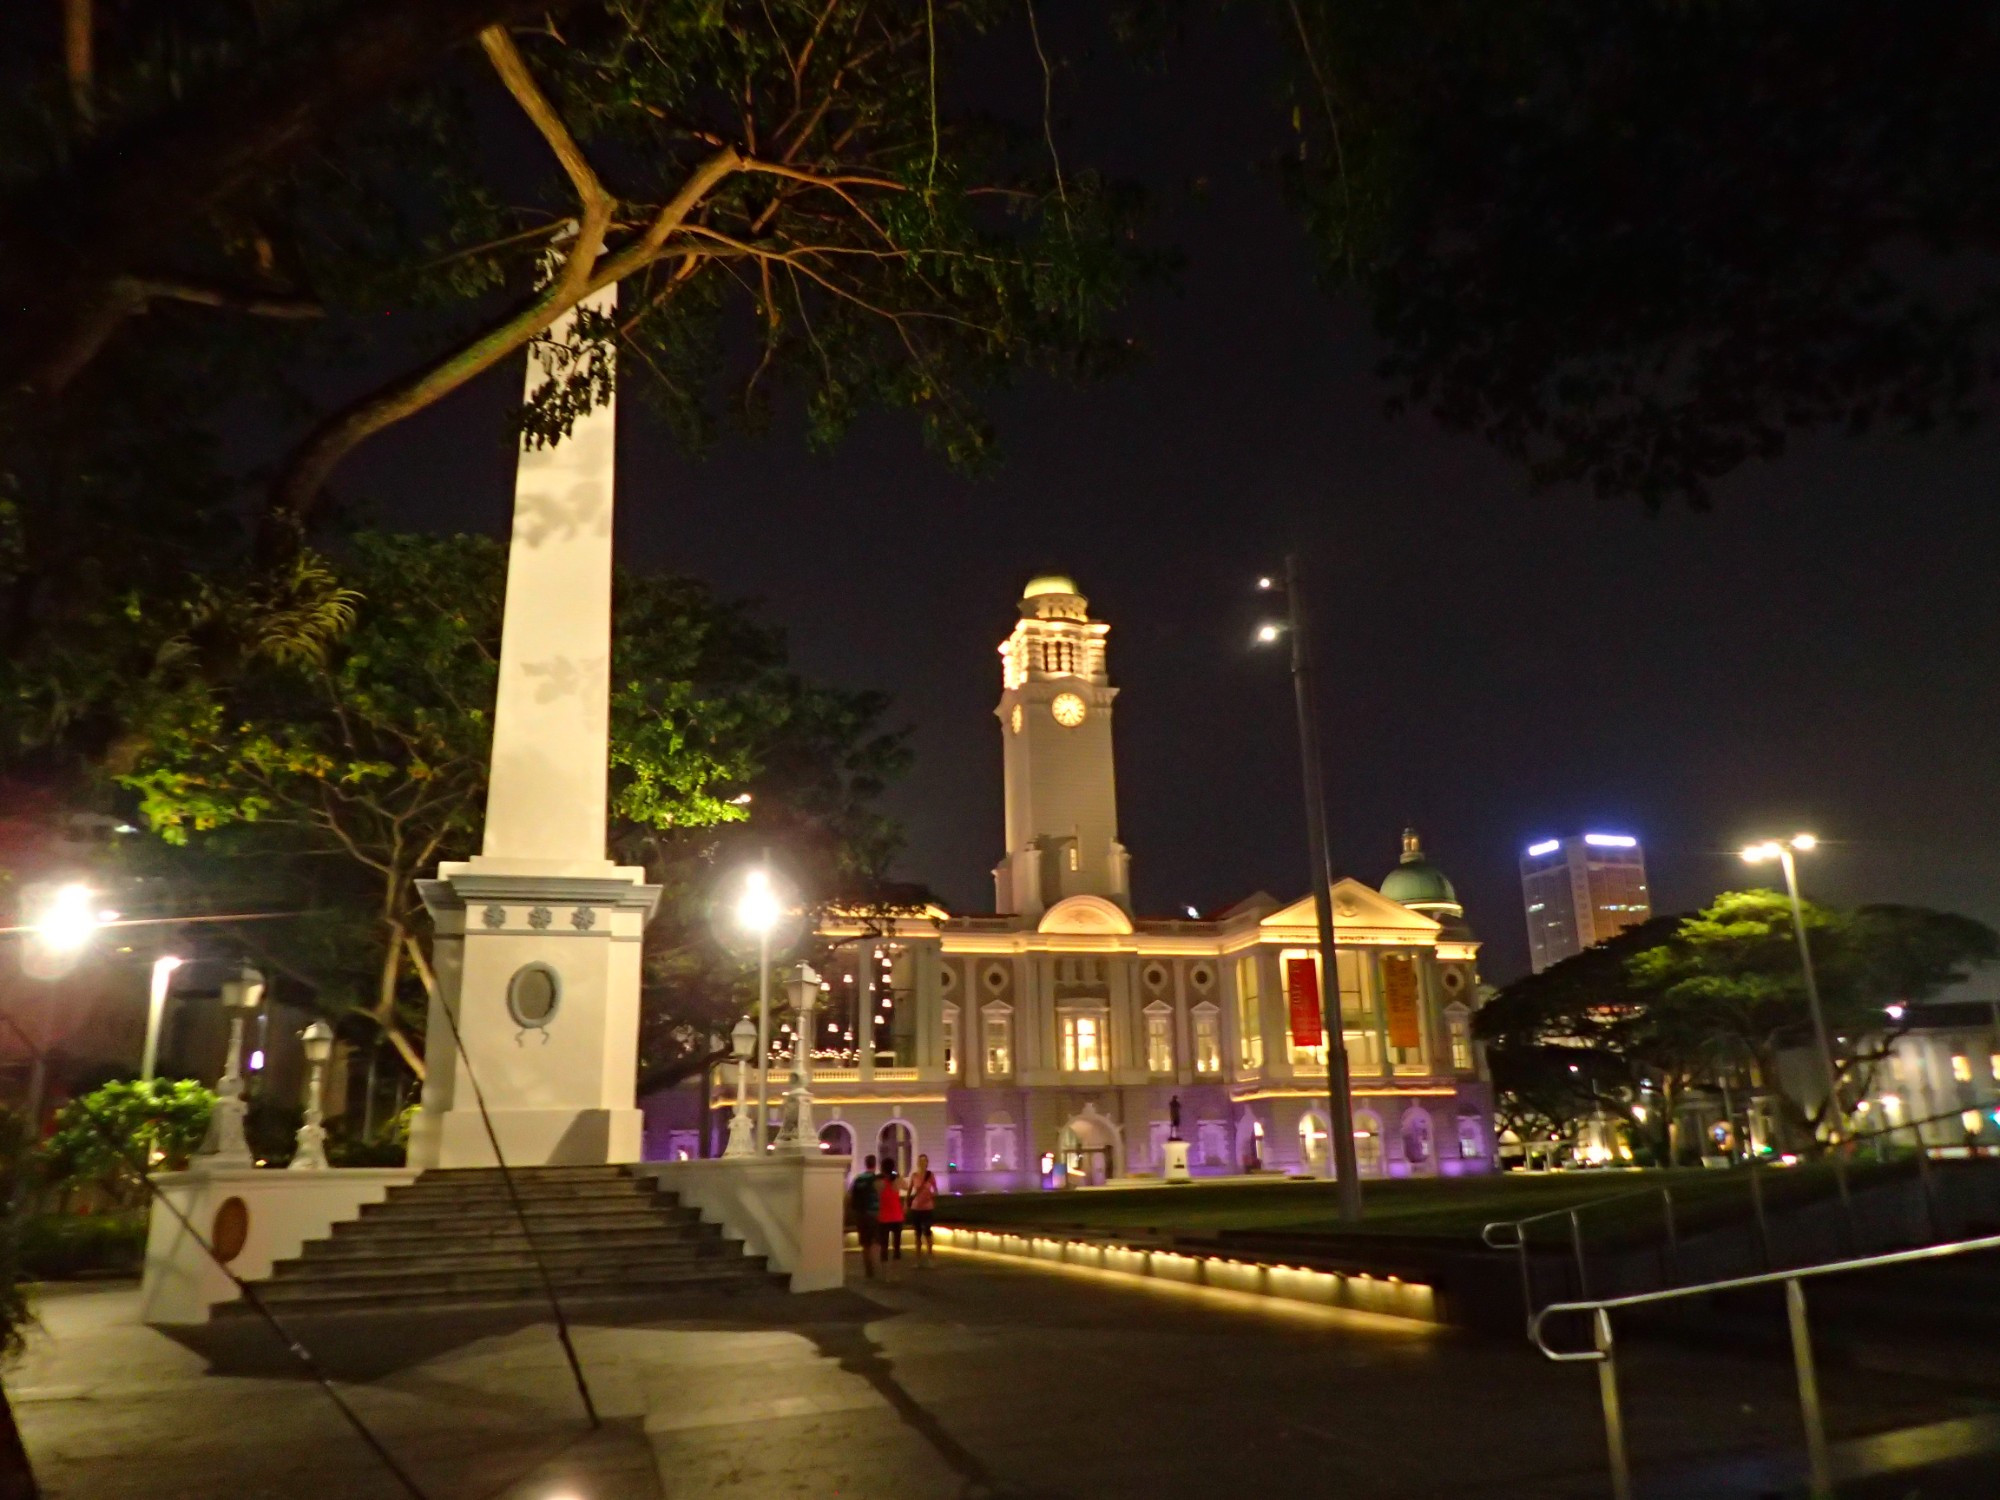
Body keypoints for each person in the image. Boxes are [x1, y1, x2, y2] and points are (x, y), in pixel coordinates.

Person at [849, 1154, 881, 1279]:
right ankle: (875, 1266)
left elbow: (851, 1195)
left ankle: (868, 1269)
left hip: (860, 1214)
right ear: (875, 1164)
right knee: (876, 1241)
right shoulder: (876, 1179)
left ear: (865, 1163)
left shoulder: (858, 1179)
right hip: (874, 1213)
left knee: (865, 1243)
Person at [906, 1153, 939, 1263]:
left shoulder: (930, 1175)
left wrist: (931, 1195)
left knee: (927, 1231)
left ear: (927, 1163)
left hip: (927, 1207)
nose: (922, 1163)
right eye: (920, 1161)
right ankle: (918, 1258)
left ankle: (930, 1255)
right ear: (918, 1163)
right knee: (917, 1233)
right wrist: (907, 1203)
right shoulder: (914, 1175)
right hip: (916, 1208)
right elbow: (910, 1190)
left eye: (924, 1161)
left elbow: (936, 1190)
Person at [876, 1163, 906, 1264]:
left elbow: (874, 1193)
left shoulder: (879, 1182)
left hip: (884, 1217)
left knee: (884, 1246)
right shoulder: (897, 1180)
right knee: (897, 1246)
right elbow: (907, 1187)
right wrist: (897, 1175)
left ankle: (886, 1274)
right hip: (897, 1216)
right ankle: (896, 1272)